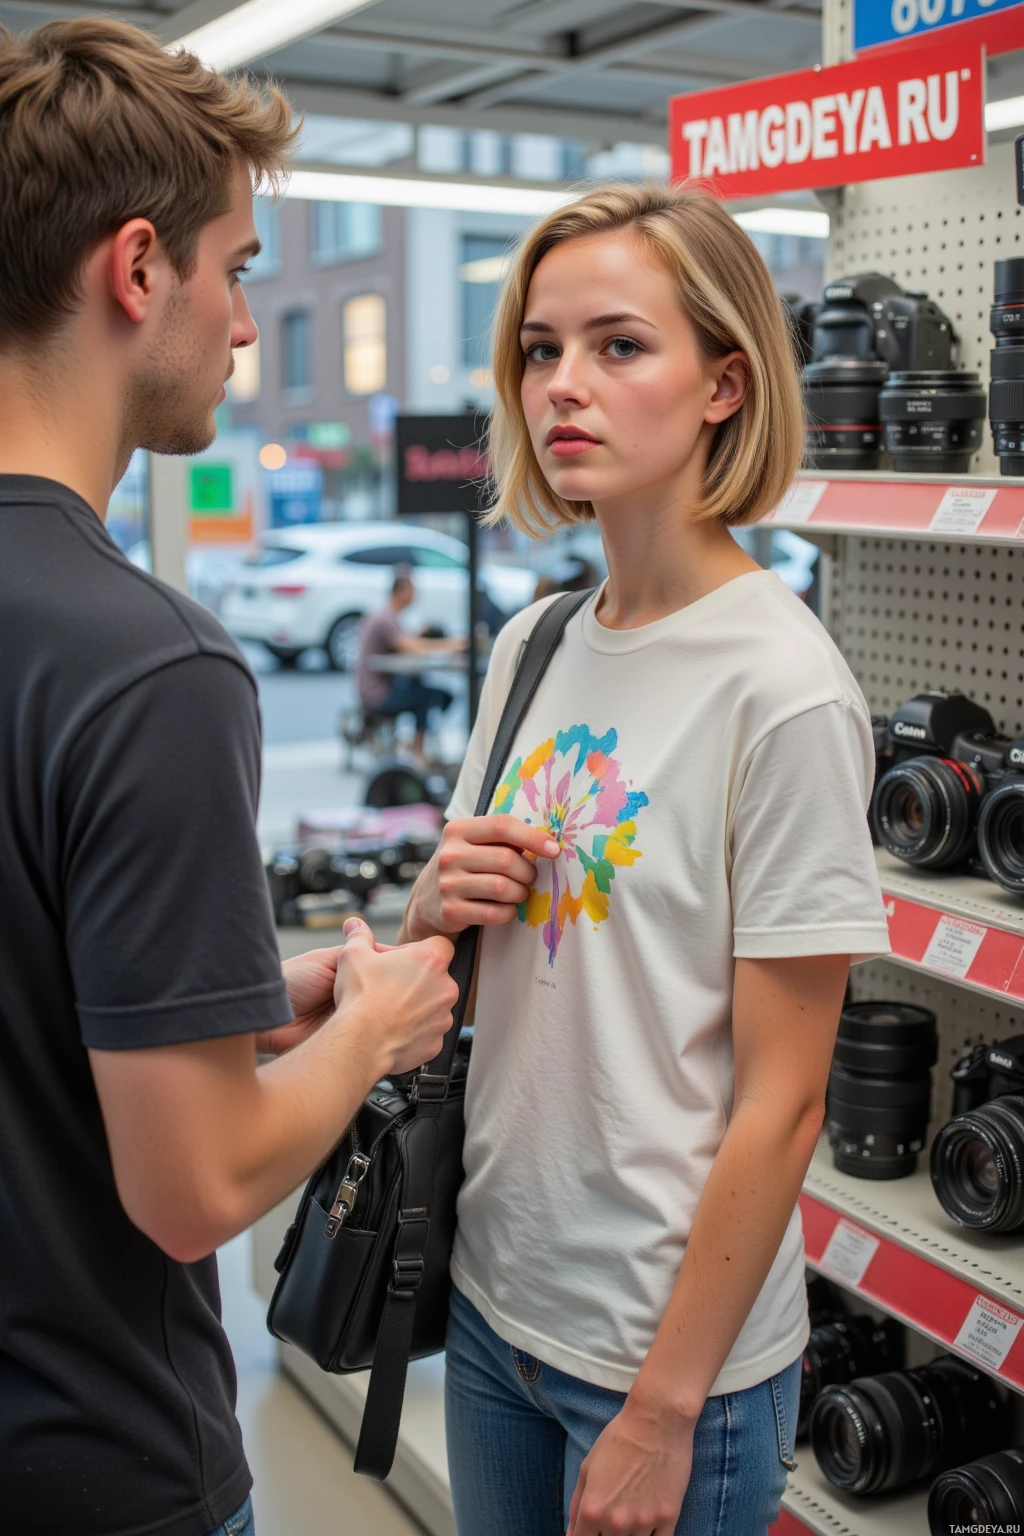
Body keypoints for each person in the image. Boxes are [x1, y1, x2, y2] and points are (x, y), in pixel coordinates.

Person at [0, 20, 459, 1536]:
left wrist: (241, 997)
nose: (250, 325)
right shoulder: (153, 667)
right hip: (96, 1463)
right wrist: (375, 1029)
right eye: (241, 268)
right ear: (140, 271)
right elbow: (192, 1188)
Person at [399, 183, 891, 1535]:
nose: (566, 386)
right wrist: (435, 908)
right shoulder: (534, 644)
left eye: (619, 346)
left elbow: (786, 1101)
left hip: (671, 1360)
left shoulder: (782, 688)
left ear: (725, 382)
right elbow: (499, 981)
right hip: (497, 1305)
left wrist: (666, 1407)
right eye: (541, 350)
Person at [357, 570, 461, 756]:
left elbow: (406, 645)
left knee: (424, 690)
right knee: (430, 697)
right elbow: (413, 648)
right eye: (413, 590)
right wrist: (454, 644)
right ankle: (418, 752)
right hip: (378, 693)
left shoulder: (385, 616)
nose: (416, 595)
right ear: (401, 591)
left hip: (375, 688)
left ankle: (415, 746)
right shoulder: (385, 618)